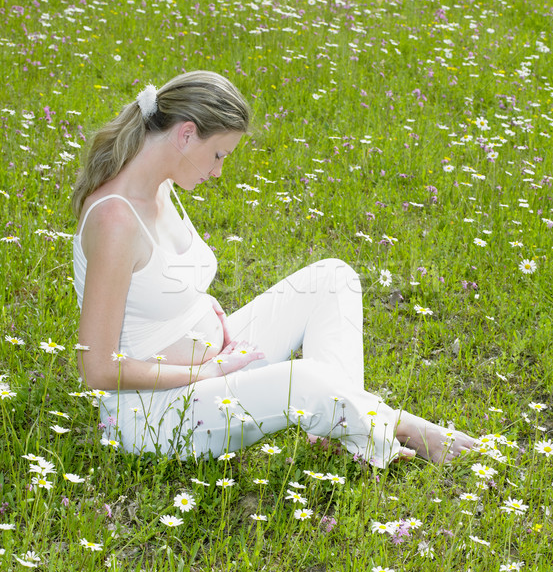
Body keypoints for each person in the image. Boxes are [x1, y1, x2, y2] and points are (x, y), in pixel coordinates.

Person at [72, 70, 475, 468]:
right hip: (156, 415)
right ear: (186, 133)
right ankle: (399, 426)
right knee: (302, 378)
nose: (217, 172)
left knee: (332, 277)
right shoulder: (115, 220)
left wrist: (201, 313)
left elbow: (152, 287)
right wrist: (205, 370)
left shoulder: (159, 187)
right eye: (218, 155)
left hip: (218, 366)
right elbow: (98, 368)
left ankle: (338, 422)